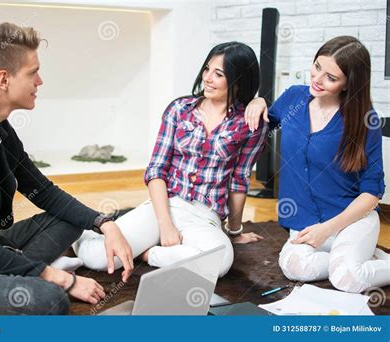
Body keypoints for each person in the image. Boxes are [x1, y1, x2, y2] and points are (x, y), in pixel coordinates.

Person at [0, 22, 134, 315]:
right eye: (33, 72)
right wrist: (61, 279)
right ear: (3, 79)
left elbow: (42, 190)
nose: (40, 81)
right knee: (50, 299)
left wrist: (104, 223)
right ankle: (17, 273)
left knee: (70, 219)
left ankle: (8, 269)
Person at [73, 42, 267, 277]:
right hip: (163, 206)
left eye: (218, 74)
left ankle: (148, 254)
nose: (207, 78)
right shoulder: (179, 109)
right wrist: (165, 225)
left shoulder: (250, 123)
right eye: (207, 69)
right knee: (96, 257)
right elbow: (156, 169)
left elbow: (239, 181)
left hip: (204, 217)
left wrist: (235, 233)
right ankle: (78, 229)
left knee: (220, 262)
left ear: (238, 81)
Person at [244, 36, 390, 293]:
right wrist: (259, 100)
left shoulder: (366, 120)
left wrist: (329, 229)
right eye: (317, 66)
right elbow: (268, 118)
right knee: (293, 266)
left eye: (331, 78)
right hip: (305, 221)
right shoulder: (294, 98)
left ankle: (349, 263)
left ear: (349, 84)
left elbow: (372, 192)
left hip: (350, 220)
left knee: (348, 280)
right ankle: (353, 260)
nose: (317, 79)